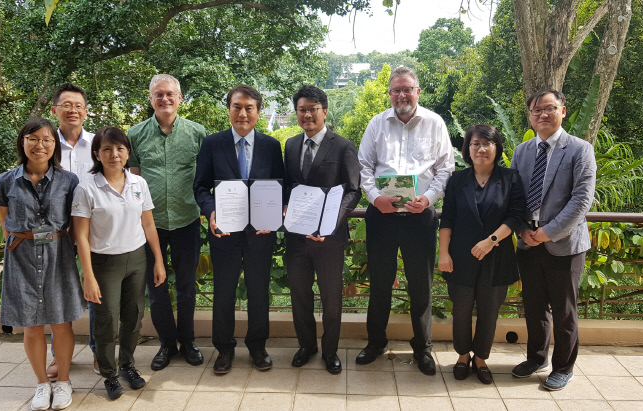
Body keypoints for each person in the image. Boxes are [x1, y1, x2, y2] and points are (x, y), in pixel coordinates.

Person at [356, 66, 455, 375]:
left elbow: (446, 168)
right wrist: (375, 198)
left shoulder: (435, 123)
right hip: (382, 216)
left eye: (407, 89)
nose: (401, 94)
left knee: (421, 286)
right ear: (389, 94)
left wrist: (428, 199)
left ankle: (423, 348)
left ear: (417, 92)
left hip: (420, 216)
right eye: (396, 90)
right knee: (380, 283)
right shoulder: (376, 124)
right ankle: (376, 342)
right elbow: (363, 167)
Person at [0, 117, 84, 410]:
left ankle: (64, 381)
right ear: (23, 142)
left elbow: (74, 223)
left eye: (47, 140)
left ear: (54, 145)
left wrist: (42, 236)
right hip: (21, 257)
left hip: (59, 255)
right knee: (31, 326)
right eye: (33, 139)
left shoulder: (69, 181)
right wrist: (27, 239)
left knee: (60, 322)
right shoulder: (6, 181)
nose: (40, 145)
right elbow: (6, 225)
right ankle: (42, 383)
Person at [193, 84, 284, 374]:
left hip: (260, 235)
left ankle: (258, 347)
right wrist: (210, 211)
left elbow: (280, 187)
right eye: (237, 107)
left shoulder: (271, 146)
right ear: (229, 109)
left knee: (259, 292)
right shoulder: (212, 143)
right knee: (224, 293)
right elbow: (200, 187)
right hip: (225, 233)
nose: (242, 113)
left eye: (249, 108)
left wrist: (273, 215)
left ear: (258, 112)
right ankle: (224, 349)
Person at [510, 89, 596, 391]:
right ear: (530, 116)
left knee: (564, 309)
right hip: (527, 240)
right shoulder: (521, 151)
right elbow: (515, 197)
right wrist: (522, 230)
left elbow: (581, 200)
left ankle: (563, 367)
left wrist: (547, 232)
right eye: (536, 110)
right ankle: (536, 358)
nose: (542, 115)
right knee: (533, 306)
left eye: (549, 108)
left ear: (563, 111)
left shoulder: (579, 149)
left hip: (564, 244)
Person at [72, 127, 167, 399]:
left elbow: (148, 225)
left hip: (137, 259)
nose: (115, 155)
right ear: (97, 154)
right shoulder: (86, 188)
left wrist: (158, 261)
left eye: (120, 149)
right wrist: (88, 276)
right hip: (104, 263)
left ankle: (128, 365)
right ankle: (109, 374)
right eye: (107, 149)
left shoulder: (139, 183)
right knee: (106, 321)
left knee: (134, 316)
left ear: (127, 153)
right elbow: (80, 235)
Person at [128, 74, 206, 370]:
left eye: (169, 94)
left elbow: (204, 178)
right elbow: (132, 180)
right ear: (151, 99)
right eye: (158, 94)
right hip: (150, 224)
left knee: (187, 286)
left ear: (180, 97)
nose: (164, 99)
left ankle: (188, 342)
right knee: (156, 288)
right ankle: (166, 345)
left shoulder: (197, 133)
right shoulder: (135, 135)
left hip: (187, 220)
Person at [438, 125, 526, 384]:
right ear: (468, 149)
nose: (481, 149)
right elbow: (448, 218)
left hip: (497, 257)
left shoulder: (511, 178)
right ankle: (463, 356)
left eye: (487, 144)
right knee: (462, 311)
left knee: (489, 312)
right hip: (460, 257)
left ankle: (481, 359)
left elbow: (515, 215)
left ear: (497, 148)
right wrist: (443, 252)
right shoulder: (457, 180)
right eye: (475, 144)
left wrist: (491, 240)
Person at [284, 85, 361, 374]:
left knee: (331, 298)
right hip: (297, 237)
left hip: (329, 237)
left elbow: (354, 191)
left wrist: (331, 222)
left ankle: (330, 351)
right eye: (302, 109)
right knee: (300, 294)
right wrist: (283, 206)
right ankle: (306, 346)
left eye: (312, 109)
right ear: (297, 113)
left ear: (324, 111)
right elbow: (288, 186)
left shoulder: (343, 146)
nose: (307, 115)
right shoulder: (290, 145)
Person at [46, 82, 99, 381]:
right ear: (55, 110)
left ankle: (97, 351)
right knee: (57, 293)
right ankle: (59, 355)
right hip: (57, 232)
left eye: (78, 105)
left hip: (94, 231)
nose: (73, 110)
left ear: (86, 111)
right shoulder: (44, 143)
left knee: (96, 291)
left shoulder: (96, 144)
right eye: (66, 105)